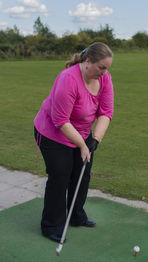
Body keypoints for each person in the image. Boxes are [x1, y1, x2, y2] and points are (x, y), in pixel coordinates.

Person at [34, 42, 114, 243]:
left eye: (107, 68)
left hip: (82, 131)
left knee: (82, 174)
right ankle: (51, 225)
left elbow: (106, 112)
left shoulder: (104, 79)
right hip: (53, 132)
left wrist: (95, 139)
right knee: (60, 176)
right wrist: (83, 145)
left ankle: (76, 215)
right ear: (87, 61)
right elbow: (60, 120)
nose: (104, 73)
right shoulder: (68, 79)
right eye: (101, 67)